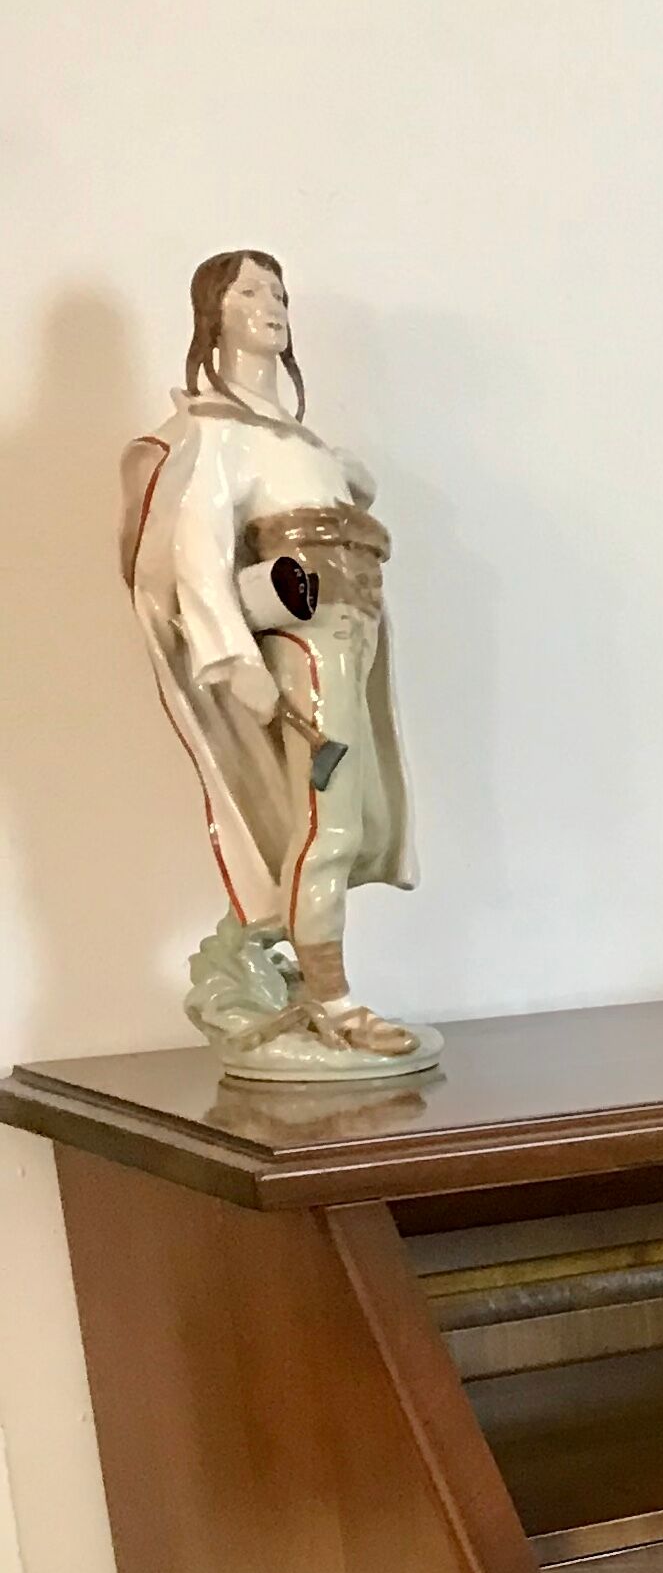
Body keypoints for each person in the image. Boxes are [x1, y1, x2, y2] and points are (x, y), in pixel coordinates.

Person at [122, 249, 423, 1065]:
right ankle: (333, 1000)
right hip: (303, 636)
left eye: (279, 290)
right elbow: (197, 550)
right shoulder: (216, 431)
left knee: (354, 814)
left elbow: (349, 490)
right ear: (213, 311)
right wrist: (234, 659)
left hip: (352, 630)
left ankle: (315, 979)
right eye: (250, 290)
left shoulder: (299, 439)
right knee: (328, 820)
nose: (273, 304)